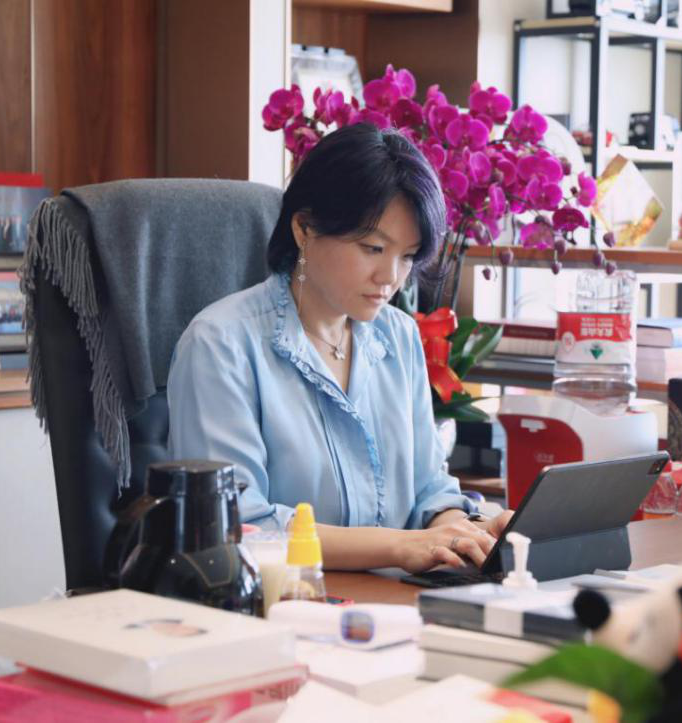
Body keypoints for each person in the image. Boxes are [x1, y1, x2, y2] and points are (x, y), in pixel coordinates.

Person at [167, 124, 513, 574]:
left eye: (408, 256)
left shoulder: (399, 336)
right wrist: (400, 547)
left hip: (394, 601)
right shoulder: (221, 344)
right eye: (373, 247)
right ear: (304, 228)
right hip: (283, 603)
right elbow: (238, 527)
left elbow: (430, 491)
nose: (390, 277)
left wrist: (467, 533)